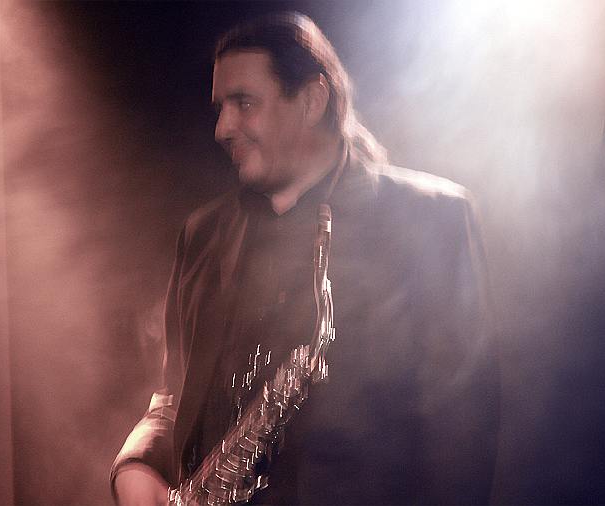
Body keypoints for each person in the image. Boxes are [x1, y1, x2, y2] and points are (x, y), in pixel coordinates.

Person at [111, 11, 499, 506]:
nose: (223, 128)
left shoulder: (430, 220)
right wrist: (136, 465)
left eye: (244, 103)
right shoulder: (203, 236)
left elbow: (462, 437)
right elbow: (171, 400)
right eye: (220, 108)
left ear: (313, 100)